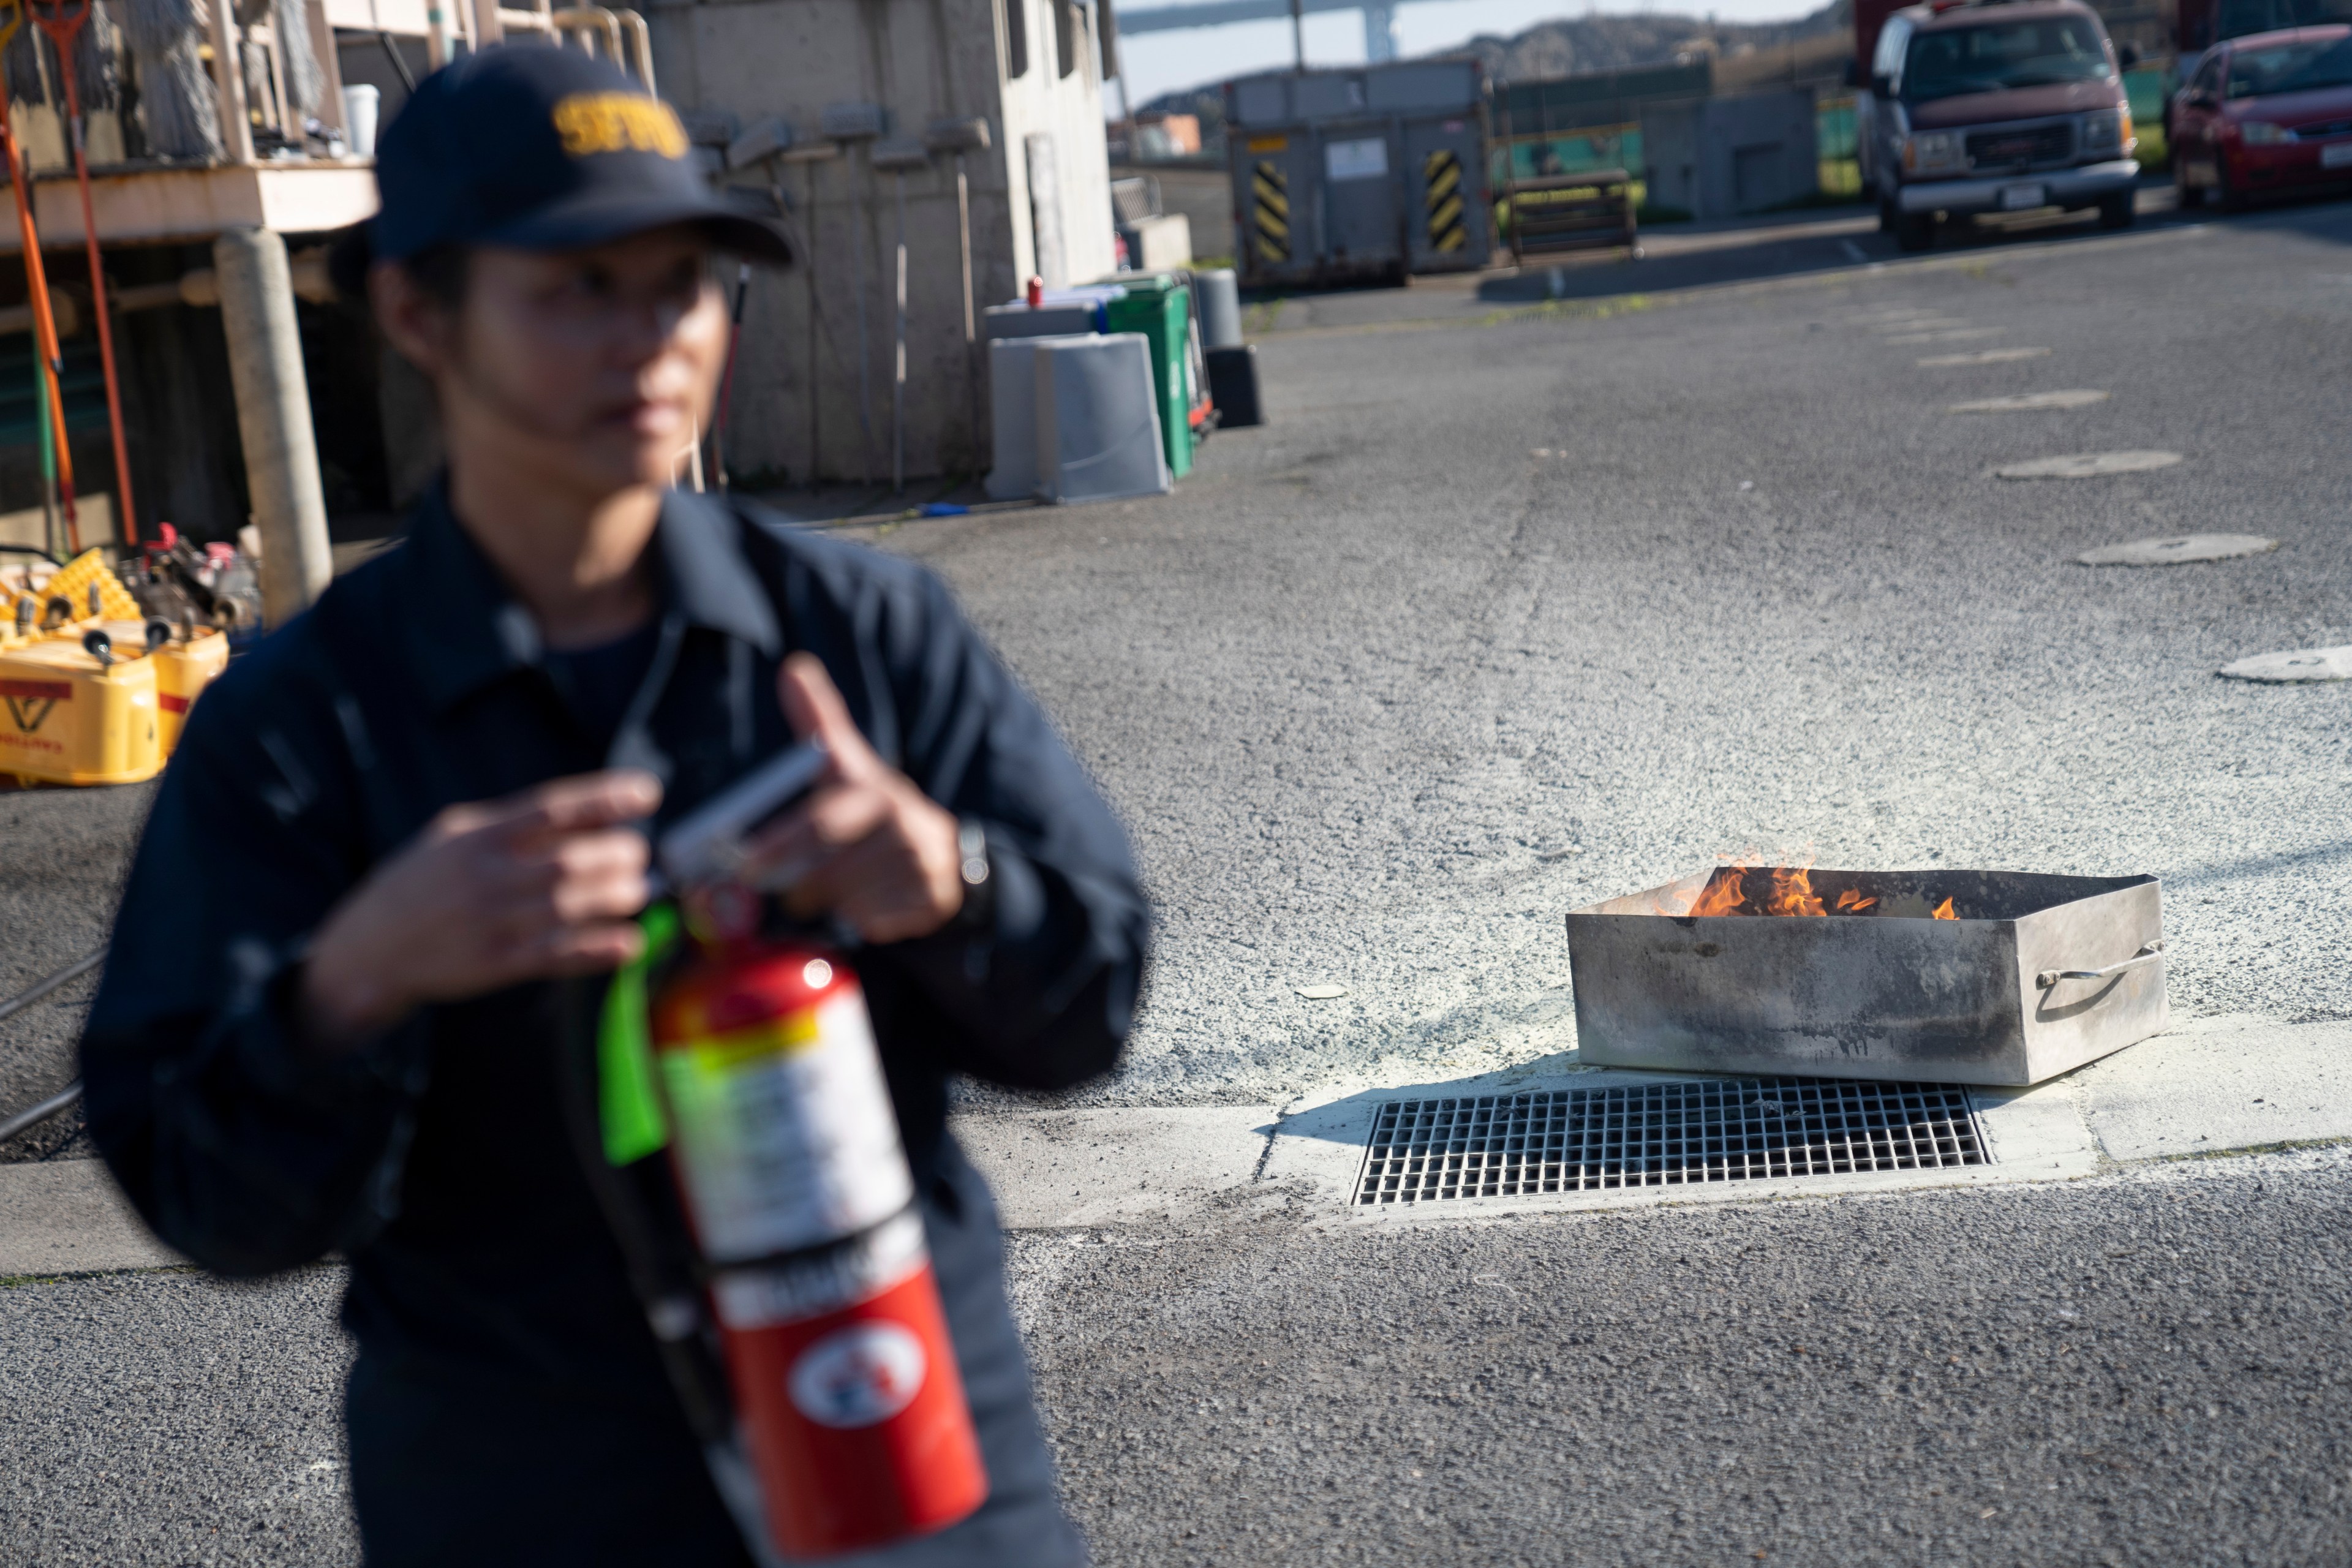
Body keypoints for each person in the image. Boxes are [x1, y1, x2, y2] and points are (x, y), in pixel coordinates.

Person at [79, 46, 1147, 1567]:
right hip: (529, 1502)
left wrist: (950, 876)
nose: (647, 338)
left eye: (684, 282)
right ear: (414, 310)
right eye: (575, 285)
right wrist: (360, 975)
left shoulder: (861, 636)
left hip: (913, 1476)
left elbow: (1096, 997)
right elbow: (194, 1182)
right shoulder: (300, 727)